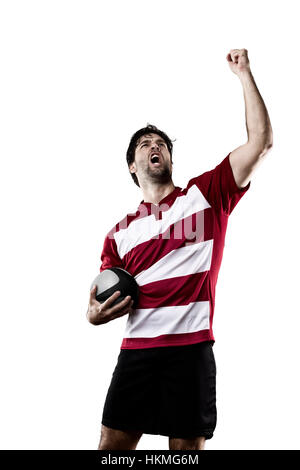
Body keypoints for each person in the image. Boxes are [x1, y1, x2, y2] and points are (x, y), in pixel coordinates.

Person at [86, 49, 273, 450]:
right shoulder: (118, 234)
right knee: (110, 447)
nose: (154, 145)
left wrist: (244, 74)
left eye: (161, 143)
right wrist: (92, 313)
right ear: (133, 167)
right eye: (144, 144)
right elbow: (102, 294)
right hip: (136, 352)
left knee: (185, 455)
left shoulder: (204, 196)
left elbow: (260, 142)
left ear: (169, 157)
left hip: (190, 350)